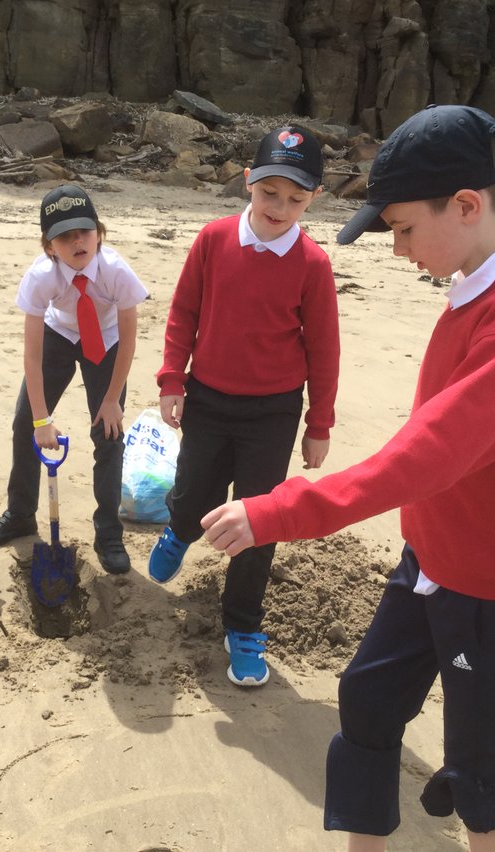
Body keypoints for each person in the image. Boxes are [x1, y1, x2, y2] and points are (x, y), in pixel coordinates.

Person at [201, 105, 495, 851]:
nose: (397, 250)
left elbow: (425, 455)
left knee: (481, 776)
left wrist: (278, 510)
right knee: (367, 703)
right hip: (432, 558)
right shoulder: (480, 289)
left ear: (465, 205)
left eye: (402, 229)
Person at [147, 124, 340, 687]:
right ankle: (179, 530)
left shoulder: (312, 265)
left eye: (295, 199)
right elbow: (184, 312)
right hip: (207, 397)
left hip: (273, 411)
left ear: (314, 198)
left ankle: (243, 624)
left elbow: (324, 349)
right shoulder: (212, 240)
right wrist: (171, 379)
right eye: (270, 192)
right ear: (249, 181)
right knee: (194, 495)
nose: (279, 207)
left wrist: (319, 423)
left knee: (258, 519)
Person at [0, 184, 148, 574]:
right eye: (65, 235)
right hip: (58, 335)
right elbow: (32, 354)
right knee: (24, 422)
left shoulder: (116, 272)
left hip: (106, 339)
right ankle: (21, 513)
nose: (77, 242)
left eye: (84, 232)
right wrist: (41, 419)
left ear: (99, 234)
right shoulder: (42, 276)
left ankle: (108, 532)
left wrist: (112, 401)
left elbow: (128, 341)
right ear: (49, 246)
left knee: (109, 433)